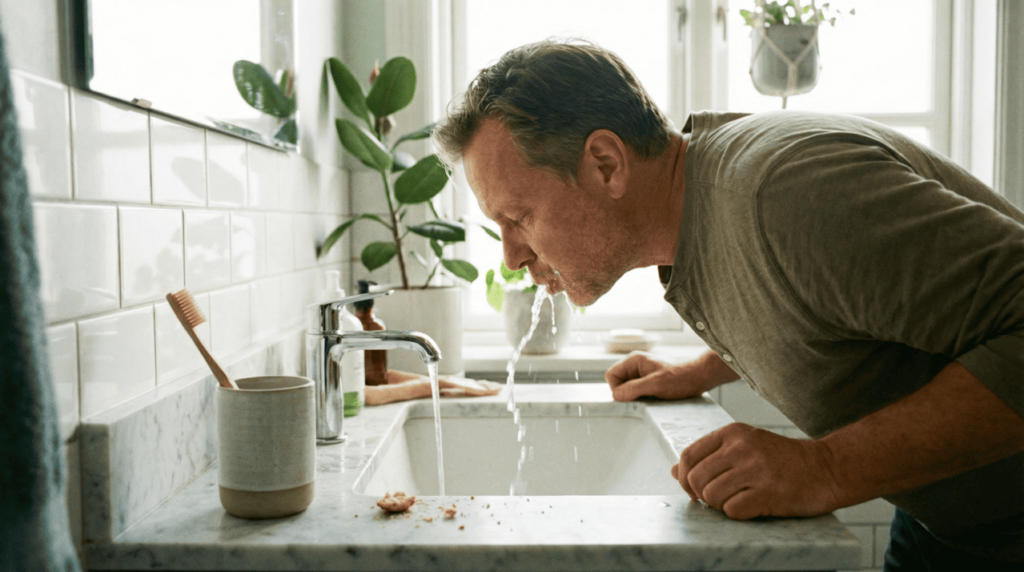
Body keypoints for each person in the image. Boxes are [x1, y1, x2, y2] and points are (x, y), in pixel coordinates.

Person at [432, 39, 1024, 569]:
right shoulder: (695, 207)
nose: (511, 256)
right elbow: (811, 292)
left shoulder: (787, 195)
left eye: (519, 217)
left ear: (605, 164)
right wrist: (701, 369)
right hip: (941, 515)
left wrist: (826, 468)